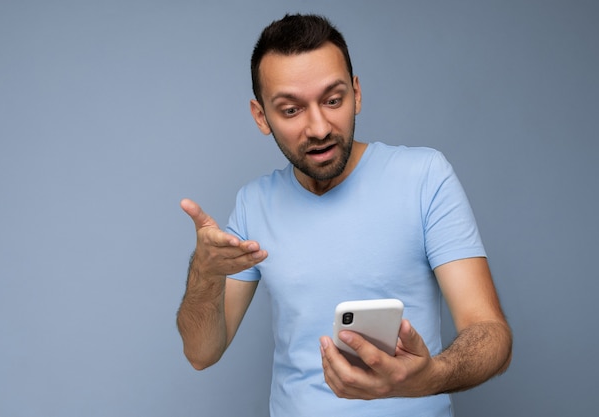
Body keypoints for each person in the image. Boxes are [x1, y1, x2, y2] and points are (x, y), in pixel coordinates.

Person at [176, 13, 512, 417]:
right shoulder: (253, 204)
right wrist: (204, 272)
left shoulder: (424, 177)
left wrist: (430, 377)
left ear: (357, 93)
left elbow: (492, 335)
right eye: (291, 109)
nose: (318, 127)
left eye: (333, 100)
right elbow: (201, 353)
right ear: (261, 116)